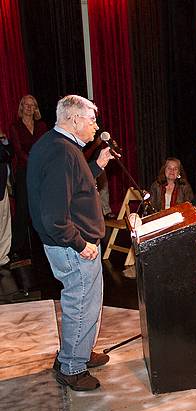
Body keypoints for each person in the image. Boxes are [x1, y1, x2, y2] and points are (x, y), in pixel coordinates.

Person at [27, 95, 114, 391]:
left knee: (88, 302)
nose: (96, 126)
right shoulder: (62, 152)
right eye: (92, 120)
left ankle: (79, 351)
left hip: (74, 242)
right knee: (80, 303)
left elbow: (75, 185)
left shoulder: (59, 146)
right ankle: (72, 368)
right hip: (73, 246)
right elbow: (54, 215)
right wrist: (80, 243)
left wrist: (98, 165)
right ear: (75, 119)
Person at [9, 95, 48, 260]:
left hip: (42, 172)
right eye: (26, 105)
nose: (29, 108)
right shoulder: (15, 127)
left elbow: (47, 147)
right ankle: (16, 248)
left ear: (36, 108)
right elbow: (18, 151)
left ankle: (48, 243)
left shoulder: (42, 126)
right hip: (24, 171)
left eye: (32, 105)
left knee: (43, 208)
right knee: (22, 210)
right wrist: (34, 164)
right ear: (21, 107)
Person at [0, 129, 11, 266]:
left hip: (2, 184)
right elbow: (3, 155)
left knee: (5, 220)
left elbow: (10, 153)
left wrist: (4, 140)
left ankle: (2, 256)